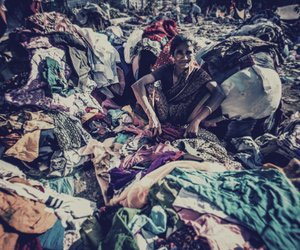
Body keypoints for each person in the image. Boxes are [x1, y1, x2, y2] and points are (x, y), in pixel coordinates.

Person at [132, 35, 225, 137]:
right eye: (179, 53)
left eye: (188, 53)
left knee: (207, 94)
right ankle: (153, 122)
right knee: (149, 87)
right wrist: (152, 116)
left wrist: (196, 121)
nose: (184, 57)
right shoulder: (167, 69)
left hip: (185, 117)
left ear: (193, 54)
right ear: (173, 55)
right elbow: (138, 85)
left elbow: (219, 93)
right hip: (164, 113)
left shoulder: (198, 73)